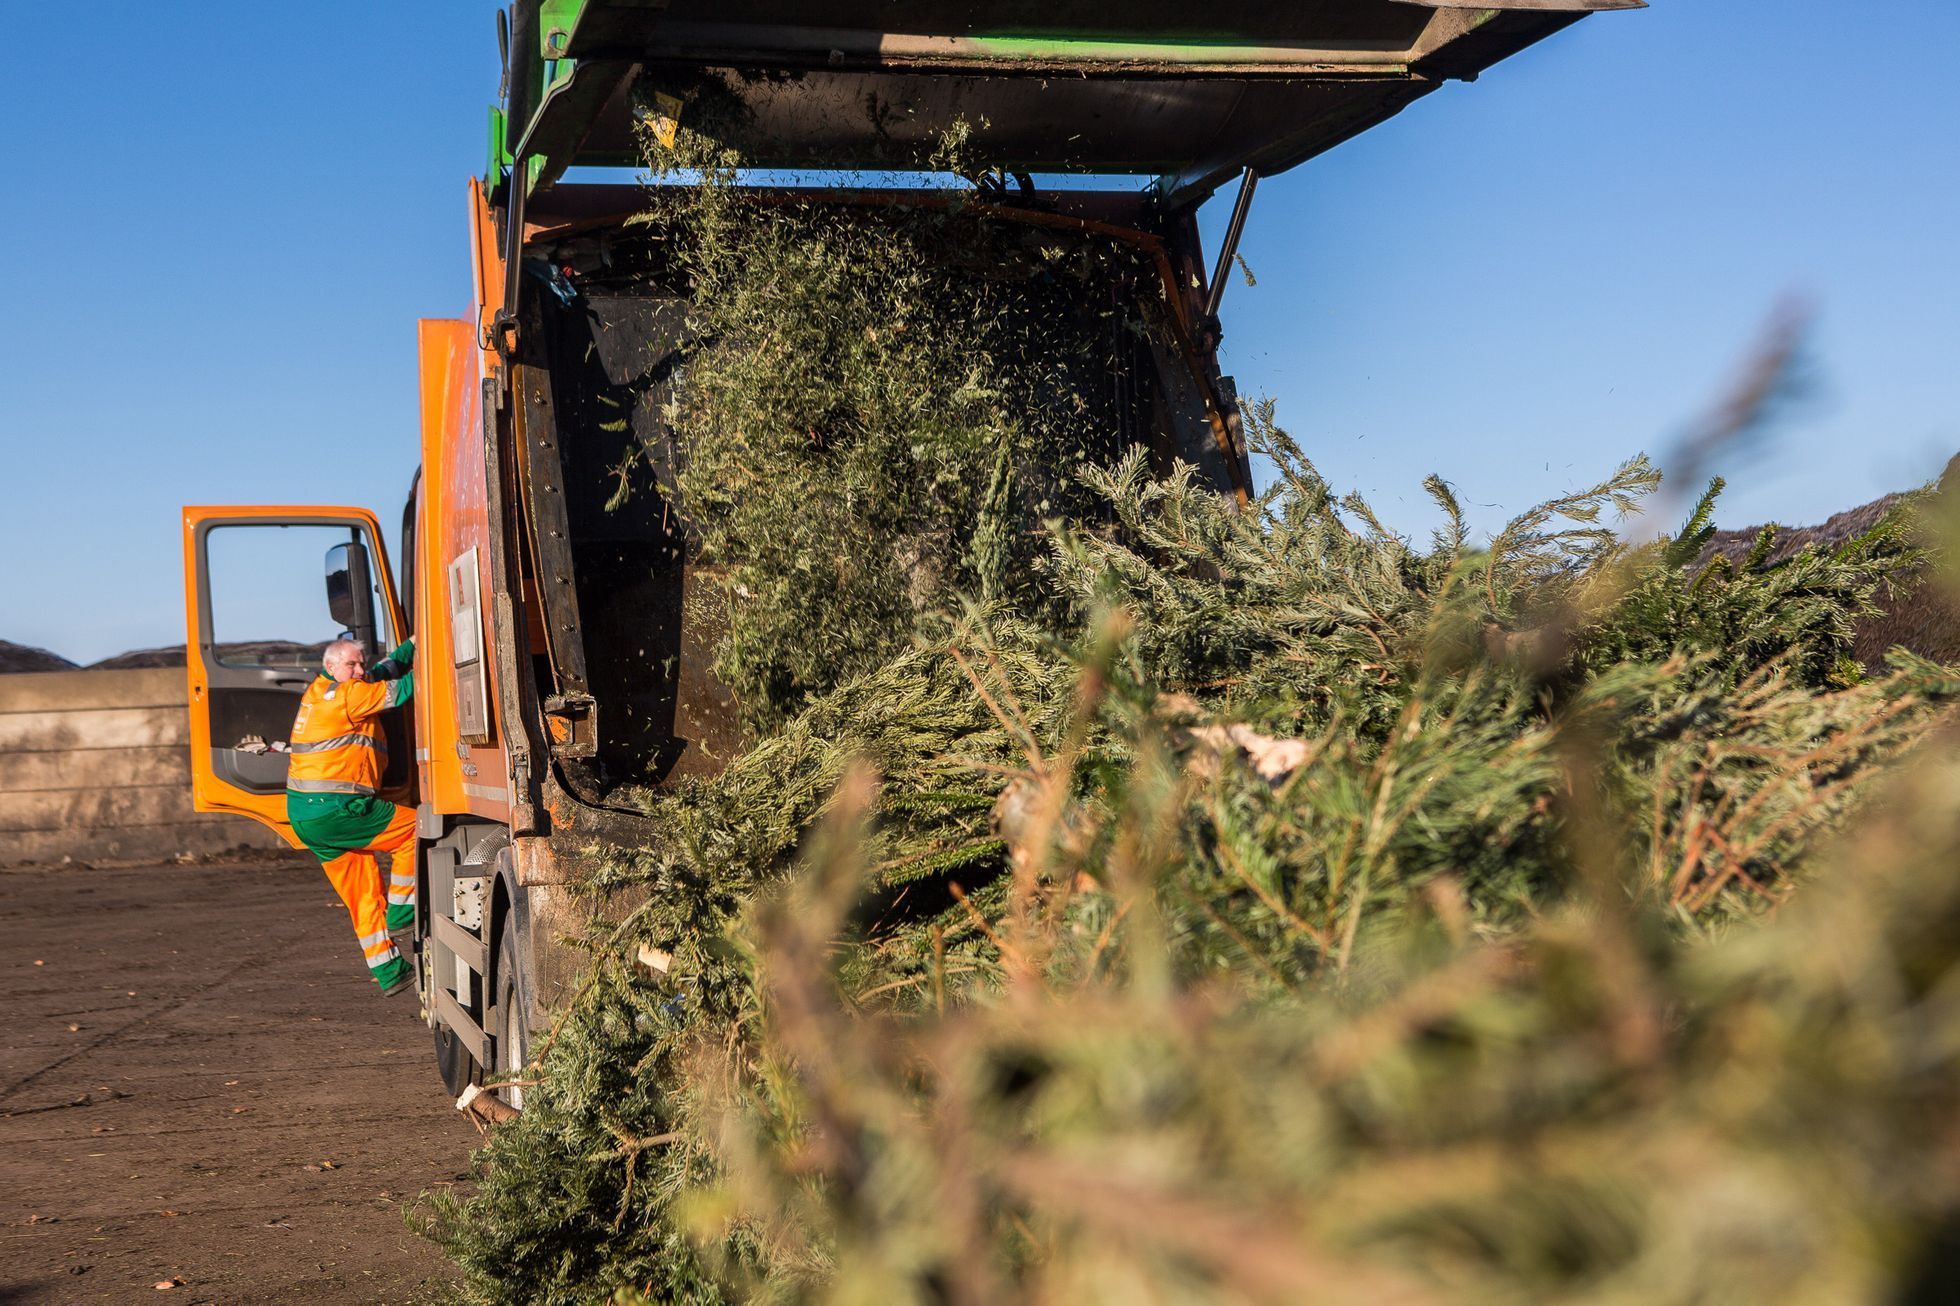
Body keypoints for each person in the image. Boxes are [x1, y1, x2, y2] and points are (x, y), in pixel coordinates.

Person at [281, 637, 419, 995]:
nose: (359, 671)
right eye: (352, 666)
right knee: (414, 831)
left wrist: (409, 647)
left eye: (361, 664)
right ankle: (404, 912)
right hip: (338, 809)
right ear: (331, 667)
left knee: (362, 897)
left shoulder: (319, 692)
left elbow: (379, 674)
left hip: (305, 816)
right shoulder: (349, 697)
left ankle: (389, 971)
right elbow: (408, 688)